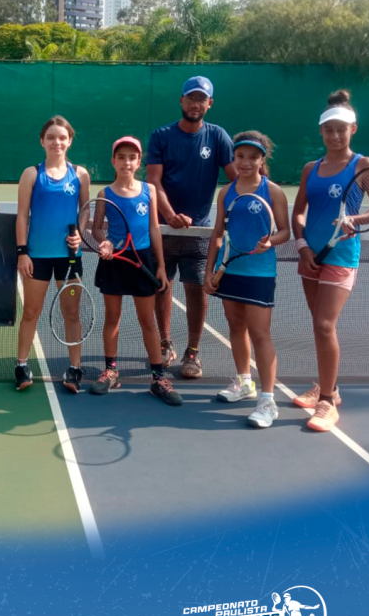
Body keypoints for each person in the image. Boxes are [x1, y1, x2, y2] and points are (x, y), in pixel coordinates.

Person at [291, 89, 369, 432]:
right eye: (329, 130)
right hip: (310, 256)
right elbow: (298, 212)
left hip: (341, 254)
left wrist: (355, 219)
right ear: (321, 132)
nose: (335, 136)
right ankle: (329, 386)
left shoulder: (363, 165)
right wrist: (302, 246)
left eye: (342, 129)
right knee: (318, 324)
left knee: (325, 325)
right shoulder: (310, 169)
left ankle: (327, 400)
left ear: (352, 129)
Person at [146, 76, 236, 379]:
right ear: (181, 101)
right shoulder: (161, 136)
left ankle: (193, 352)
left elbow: (238, 178)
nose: (195, 104)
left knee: (197, 290)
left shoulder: (218, 136)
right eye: (191, 98)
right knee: (162, 286)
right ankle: (165, 343)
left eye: (202, 99)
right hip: (164, 230)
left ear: (209, 104)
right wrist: (170, 215)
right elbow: (153, 182)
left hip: (200, 233)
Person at [203, 131, 290, 428]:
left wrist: (271, 241)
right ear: (234, 158)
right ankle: (244, 382)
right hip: (230, 270)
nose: (246, 162)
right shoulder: (225, 193)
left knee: (260, 334)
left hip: (259, 273)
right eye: (240, 156)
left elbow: (285, 231)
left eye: (253, 157)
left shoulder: (273, 191)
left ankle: (268, 400)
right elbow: (217, 234)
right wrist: (209, 271)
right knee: (236, 327)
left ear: (262, 160)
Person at [89, 136, 181, 405]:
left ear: (139, 162)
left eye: (132, 157)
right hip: (114, 261)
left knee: (147, 321)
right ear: (113, 161)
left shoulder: (149, 190)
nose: (126, 162)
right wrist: (104, 242)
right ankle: (111, 371)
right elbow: (97, 228)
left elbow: (154, 229)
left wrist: (161, 266)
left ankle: (158, 378)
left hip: (143, 260)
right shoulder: (104, 194)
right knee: (112, 318)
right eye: (121, 157)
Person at [15, 116, 90, 393]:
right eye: (51, 137)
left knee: (71, 313)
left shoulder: (80, 174)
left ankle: (75, 368)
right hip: (37, 257)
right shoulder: (31, 174)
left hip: (69, 258)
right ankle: (21, 365)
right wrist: (22, 252)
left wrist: (80, 232)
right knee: (31, 312)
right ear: (42, 141)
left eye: (62, 137)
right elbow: (22, 215)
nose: (56, 142)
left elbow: (85, 210)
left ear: (69, 141)